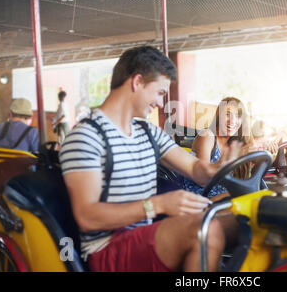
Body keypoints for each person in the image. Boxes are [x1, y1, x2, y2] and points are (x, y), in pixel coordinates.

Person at [59, 46, 241, 272]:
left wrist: (215, 169)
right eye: (160, 93)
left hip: (145, 233)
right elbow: (88, 217)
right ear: (137, 82)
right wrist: (159, 204)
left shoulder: (147, 132)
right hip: (106, 248)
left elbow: (195, 169)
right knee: (205, 231)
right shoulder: (87, 137)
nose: (161, 103)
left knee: (248, 222)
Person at [181, 97, 253, 199]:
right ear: (218, 116)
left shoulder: (235, 144)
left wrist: (269, 149)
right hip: (200, 198)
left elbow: (262, 162)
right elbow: (202, 180)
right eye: (227, 114)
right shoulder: (207, 136)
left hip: (224, 197)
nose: (232, 120)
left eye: (238, 116)